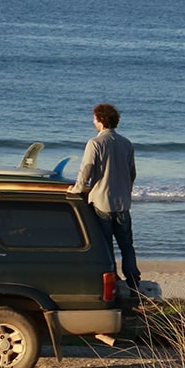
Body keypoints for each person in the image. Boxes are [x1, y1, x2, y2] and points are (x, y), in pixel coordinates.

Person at [70, 102, 142, 295]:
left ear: (100, 119)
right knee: (127, 246)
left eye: (94, 118)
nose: (93, 121)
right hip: (122, 203)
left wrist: (78, 189)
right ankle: (134, 283)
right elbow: (131, 173)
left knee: (106, 245)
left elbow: (86, 169)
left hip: (102, 202)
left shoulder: (95, 143)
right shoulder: (126, 143)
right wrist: (126, 191)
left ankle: (112, 281)